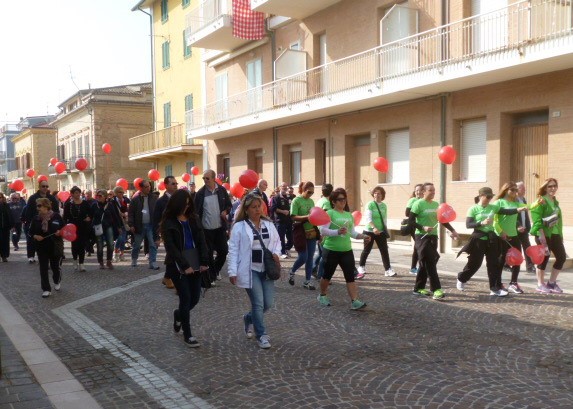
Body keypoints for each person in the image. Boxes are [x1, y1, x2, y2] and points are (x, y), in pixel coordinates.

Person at [228, 193, 282, 349]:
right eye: (254, 207)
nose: (257, 210)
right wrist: (232, 271)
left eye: (259, 206)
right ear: (247, 209)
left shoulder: (269, 224)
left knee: (268, 303)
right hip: (250, 269)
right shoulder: (239, 227)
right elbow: (233, 250)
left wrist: (276, 254)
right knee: (258, 303)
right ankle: (261, 335)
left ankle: (248, 318)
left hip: (267, 269)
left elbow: (277, 243)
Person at [161, 189, 209, 348]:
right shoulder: (168, 222)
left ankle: (178, 314)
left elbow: (202, 241)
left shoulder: (194, 219)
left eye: (188, 204)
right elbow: (171, 248)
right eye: (184, 204)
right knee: (186, 297)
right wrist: (184, 265)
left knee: (195, 298)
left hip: (195, 262)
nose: (186, 207)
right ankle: (188, 334)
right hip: (177, 266)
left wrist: (204, 261)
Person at [456, 187, 525, 297]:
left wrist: (518, 210)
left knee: (493, 264)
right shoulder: (473, 209)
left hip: (491, 239)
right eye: (488, 197)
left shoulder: (493, 207)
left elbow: (506, 211)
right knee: (475, 263)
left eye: (491, 197)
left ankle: (494, 288)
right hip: (478, 239)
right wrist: (481, 223)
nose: (489, 199)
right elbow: (468, 225)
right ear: (481, 196)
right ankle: (461, 278)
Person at [316, 188, 370, 309]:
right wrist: (337, 232)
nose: (343, 202)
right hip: (331, 250)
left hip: (346, 250)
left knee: (350, 276)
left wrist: (363, 236)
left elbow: (352, 232)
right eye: (340, 200)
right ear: (333, 202)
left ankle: (354, 301)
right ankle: (322, 295)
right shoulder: (329, 213)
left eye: (344, 199)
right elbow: (323, 230)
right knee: (327, 276)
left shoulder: (348, 215)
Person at [408, 182, 459, 300]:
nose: (433, 192)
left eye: (434, 190)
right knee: (430, 262)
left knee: (425, 262)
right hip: (421, 237)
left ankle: (418, 288)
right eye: (430, 190)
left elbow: (442, 220)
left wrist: (452, 230)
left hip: (433, 236)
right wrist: (422, 227)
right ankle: (436, 289)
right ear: (423, 192)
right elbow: (410, 221)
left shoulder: (436, 205)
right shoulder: (418, 204)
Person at [194, 170, 232, 282]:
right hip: (206, 229)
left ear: (214, 178)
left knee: (224, 251)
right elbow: (196, 212)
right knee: (209, 254)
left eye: (207, 178)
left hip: (220, 228)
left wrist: (225, 211)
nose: (205, 180)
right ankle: (211, 277)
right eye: (203, 178)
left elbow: (229, 205)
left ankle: (215, 271)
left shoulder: (222, 190)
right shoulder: (200, 193)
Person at [530, 178, 566, 294]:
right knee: (544, 258)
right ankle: (540, 284)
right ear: (545, 188)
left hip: (555, 234)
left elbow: (558, 221)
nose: (553, 188)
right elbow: (537, 221)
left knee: (561, 257)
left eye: (554, 186)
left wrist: (560, 235)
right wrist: (542, 237)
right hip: (543, 234)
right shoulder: (540, 201)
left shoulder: (555, 202)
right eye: (550, 186)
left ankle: (551, 283)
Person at [493, 182, 529, 294]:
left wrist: (538, 202)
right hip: (502, 236)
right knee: (501, 260)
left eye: (516, 190)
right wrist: (500, 232)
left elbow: (528, 207)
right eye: (512, 190)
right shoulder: (498, 202)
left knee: (518, 259)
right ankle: (498, 283)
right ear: (505, 189)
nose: (515, 192)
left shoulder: (515, 203)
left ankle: (513, 283)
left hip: (514, 236)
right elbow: (494, 221)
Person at [357, 186, 395, 278]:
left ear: (382, 195)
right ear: (373, 195)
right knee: (367, 250)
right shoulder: (370, 204)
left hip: (381, 231)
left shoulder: (384, 206)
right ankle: (361, 267)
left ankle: (388, 269)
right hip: (369, 231)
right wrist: (374, 228)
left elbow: (384, 219)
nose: (377, 195)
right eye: (375, 193)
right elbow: (368, 218)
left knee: (384, 251)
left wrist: (384, 229)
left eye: (379, 193)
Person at [29, 198, 64, 298]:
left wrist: (59, 232)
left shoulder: (56, 216)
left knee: (55, 267)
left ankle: (57, 281)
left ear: (46, 206)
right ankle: (46, 289)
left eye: (39, 206)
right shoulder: (36, 218)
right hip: (41, 247)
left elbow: (64, 228)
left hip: (54, 246)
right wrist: (36, 236)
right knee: (43, 268)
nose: (38, 208)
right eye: (37, 206)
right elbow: (30, 232)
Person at [289, 181, 317, 289]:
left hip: (311, 232)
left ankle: (307, 281)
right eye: (309, 192)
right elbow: (293, 217)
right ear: (303, 190)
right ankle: (292, 271)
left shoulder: (311, 201)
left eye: (312, 193)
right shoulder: (296, 200)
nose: (310, 194)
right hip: (300, 232)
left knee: (310, 258)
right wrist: (306, 217)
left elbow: (314, 215)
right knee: (303, 257)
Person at [23, 180, 59, 263]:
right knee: (32, 239)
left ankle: (47, 256)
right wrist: (30, 222)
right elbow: (28, 211)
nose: (45, 188)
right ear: (39, 187)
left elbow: (56, 210)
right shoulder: (33, 198)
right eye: (43, 186)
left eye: (47, 186)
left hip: (49, 222)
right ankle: (31, 256)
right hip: (37, 222)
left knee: (47, 239)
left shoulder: (51, 198)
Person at [128, 180, 160, 269]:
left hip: (151, 225)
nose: (148, 188)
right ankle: (134, 259)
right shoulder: (135, 199)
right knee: (137, 245)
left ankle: (152, 262)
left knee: (153, 244)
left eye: (149, 186)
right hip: (139, 225)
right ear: (141, 188)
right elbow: (131, 213)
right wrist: (131, 225)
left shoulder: (154, 198)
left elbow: (157, 211)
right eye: (146, 187)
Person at [154, 176, 179, 289]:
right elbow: (156, 219)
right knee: (172, 253)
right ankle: (168, 277)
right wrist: (157, 237)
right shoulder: (160, 201)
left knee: (173, 254)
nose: (175, 185)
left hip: (178, 230)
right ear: (166, 185)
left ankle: (168, 276)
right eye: (173, 183)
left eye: (176, 183)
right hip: (166, 231)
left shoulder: (179, 198)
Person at [63, 186, 93, 272]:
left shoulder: (85, 203)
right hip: (72, 227)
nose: (78, 194)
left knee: (82, 245)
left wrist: (89, 218)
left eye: (79, 193)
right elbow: (65, 217)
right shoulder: (68, 204)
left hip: (83, 227)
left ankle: (82, 263)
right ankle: (75, 259)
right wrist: (65, 227)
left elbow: (91, 213)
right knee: (75, 245)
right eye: (76, 193)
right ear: (72, 194)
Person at [93, 189, 123, 270]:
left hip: (108, 226)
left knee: (110, 244)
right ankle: (101, 262)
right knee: (99, 245)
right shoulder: (95, 205)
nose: (98, 197)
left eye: (100, 196)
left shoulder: (110, 205)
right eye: (97, 196)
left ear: (105, 197)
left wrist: (119, 227)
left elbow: (115, 216)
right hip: (98, 227)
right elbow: (91, 216)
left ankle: (109, 261)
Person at [313, 183, 333, 279]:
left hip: (318, 229)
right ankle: (321, 276)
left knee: (321, 253)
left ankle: (313, 268)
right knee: (325, 257)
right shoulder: (327, 203)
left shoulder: (320, 200)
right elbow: (327, 217)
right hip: (323, 231)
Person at [515, 181, 535, 274]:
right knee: (512, 248)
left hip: (524, 229)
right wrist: (518, 226)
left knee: (527, 247)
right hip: (515, 229)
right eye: (522, 188)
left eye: (524, 188)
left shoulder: (523, 199)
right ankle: (505, 265)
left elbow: (526, 214)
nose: (524, 190)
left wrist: (528, 226)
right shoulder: (513, 200)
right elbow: (512, 216)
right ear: (517, 189)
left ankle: (530, 266)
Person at [271, 182, 293, 259]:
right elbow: (273, 208)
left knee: (291, 238)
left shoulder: (290, 197)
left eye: (286, 186)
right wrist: (283, 211)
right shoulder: (276, 197)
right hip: (280, 221)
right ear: (280, 187)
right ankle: (282, 252)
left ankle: (287, 248)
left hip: (289, 220)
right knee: (281, 237)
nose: (284, 188)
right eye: (283, 186)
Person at [405, 184, 424, 275]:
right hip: (414, 226)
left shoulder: (424, 201)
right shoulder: (413, 200)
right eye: (416, 190)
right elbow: (407, 213)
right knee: (418, 247)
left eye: (420, 190)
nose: (418, 192)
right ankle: (413, 268)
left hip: (422, 226)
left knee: (418, 247)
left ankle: (416, 267)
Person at [112, 186, 130, 262]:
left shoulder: (125, 200)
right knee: (119, 239)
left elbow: (127, 209)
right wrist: (120, 214)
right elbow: (113, 211)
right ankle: (115, 253)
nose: (121, 194)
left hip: (124, 222)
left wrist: (126, 212)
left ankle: (122, 254)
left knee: (123, 240)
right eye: (120, 192)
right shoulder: (113, 201)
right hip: (117, 222)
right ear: (116, 193)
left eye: (122, 192)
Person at [0, 193, 15, 262]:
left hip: (5, 227)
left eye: (0, 197)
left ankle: (4, 256)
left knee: (5, 242)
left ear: (2, 198)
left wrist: (12, 225)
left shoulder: (6, 205)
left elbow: (10, 216)